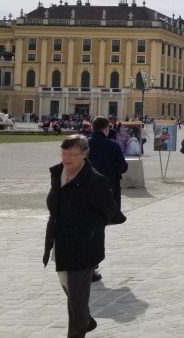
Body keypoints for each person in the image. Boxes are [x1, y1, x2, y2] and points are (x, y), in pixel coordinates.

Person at [43, 135, 117, 338]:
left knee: (76, 299)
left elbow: (110, 211)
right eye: (64, 153)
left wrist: (89, 228)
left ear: (84, 154)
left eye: (72, 154)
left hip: (84, 247)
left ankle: (77, 329)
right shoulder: (58, 173)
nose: (66, 158)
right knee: (66, 285)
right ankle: (85, 319)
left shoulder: (95, 181)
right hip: (60, 242)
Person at [87, 116, 128, 226]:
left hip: (88, 187)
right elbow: (123, 167)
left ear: (92, 127)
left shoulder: (84, 144)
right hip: (109, 187)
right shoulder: (113, 145)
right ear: (106, 129)